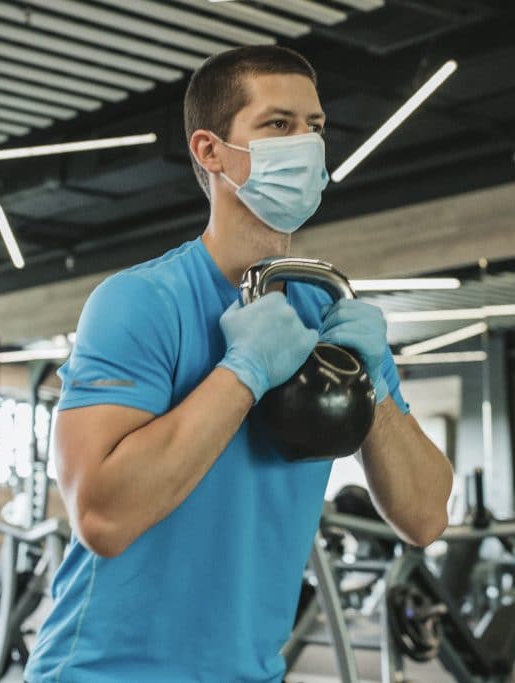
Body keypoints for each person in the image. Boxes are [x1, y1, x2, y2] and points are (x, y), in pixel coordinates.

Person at [24, 45, 454, 683]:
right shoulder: (142, 301)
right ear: (210, 151)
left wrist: (378, 393)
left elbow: (424, 517)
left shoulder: (329, 313)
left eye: (315, 127)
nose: (306, 145)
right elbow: (102, 519)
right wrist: (243, 371)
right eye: (278, 125)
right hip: (108, 673)